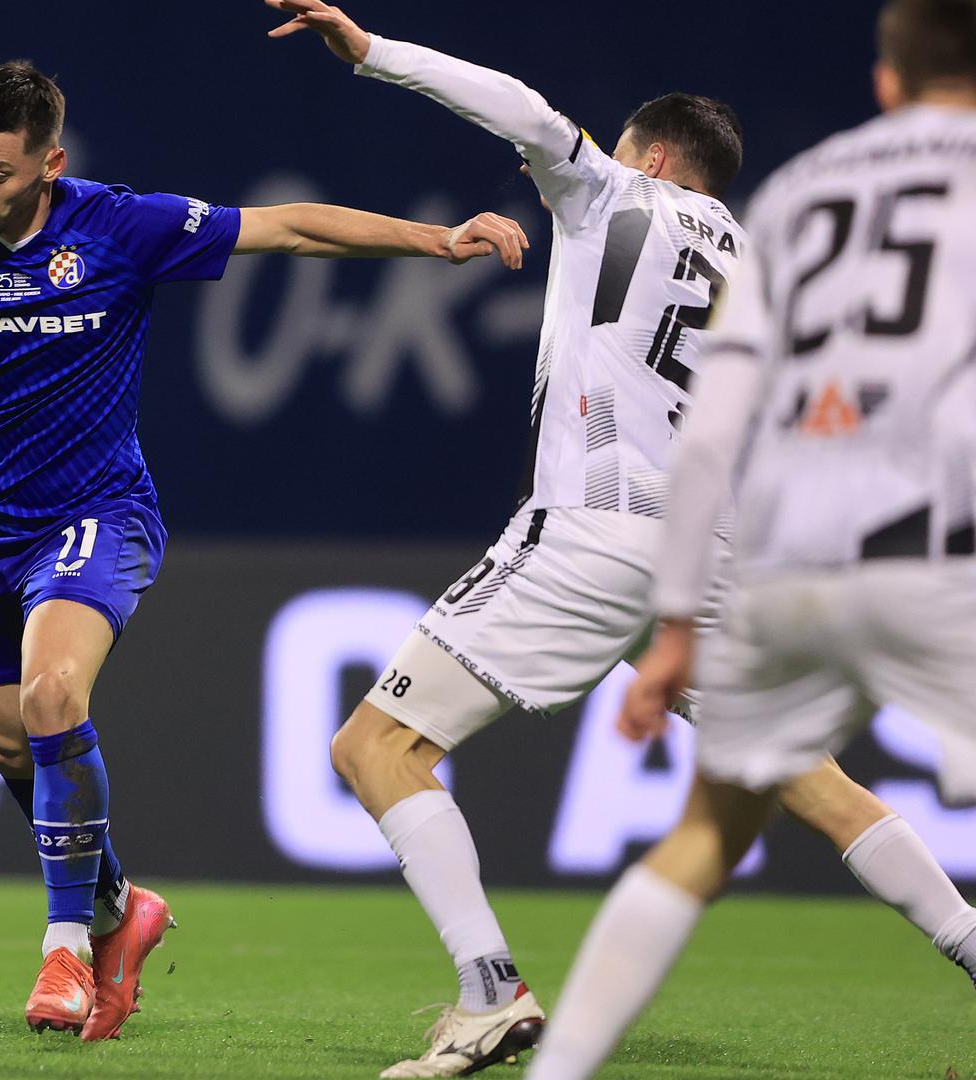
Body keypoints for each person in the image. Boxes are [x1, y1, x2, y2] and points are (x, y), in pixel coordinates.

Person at [0, 60, 529, 1040]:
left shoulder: (119, 226)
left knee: (52, 696)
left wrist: (436, 241)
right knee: (4, 743)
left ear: (49, 164)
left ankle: (65, 947)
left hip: (98, 512)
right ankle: (120, 906)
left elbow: (286, 227)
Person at [267, 2, 976, 1075]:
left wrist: (370, 53)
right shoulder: (766, 262)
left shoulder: (612, 192)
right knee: (815, 782)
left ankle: (489, 993)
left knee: (374, 749)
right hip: (718, 554)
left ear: (650, 154)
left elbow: (520, 109)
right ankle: (966, 937)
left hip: (594, 524)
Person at [525, 0, 976, 1074]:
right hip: (944, 544)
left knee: (708, 831)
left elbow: (717, 426)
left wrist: (677, 623)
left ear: (885, 81)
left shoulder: (798, 198)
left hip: (807, 545)